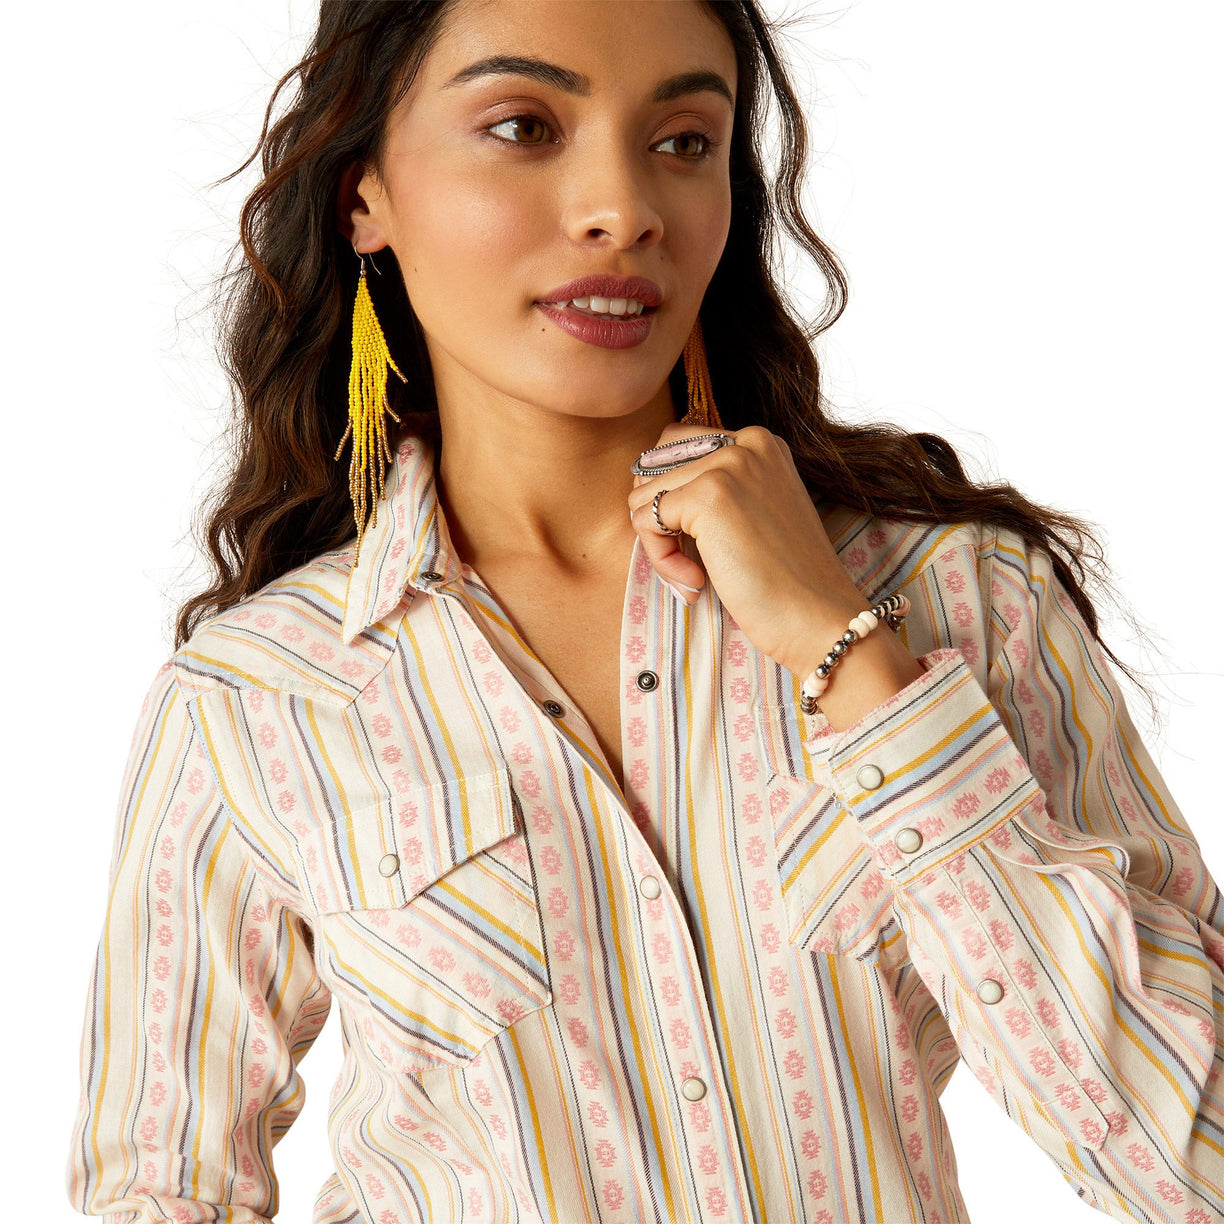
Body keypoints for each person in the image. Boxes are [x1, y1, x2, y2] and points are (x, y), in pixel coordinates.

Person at [64, 2, 1224, 1222]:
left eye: (682, 141)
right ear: (365, 197)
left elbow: (1194, 1160)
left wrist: (850, 658)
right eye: (523, 126)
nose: (624, 208)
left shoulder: (955, 601)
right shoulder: (256, 696)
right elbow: (160, 1189)